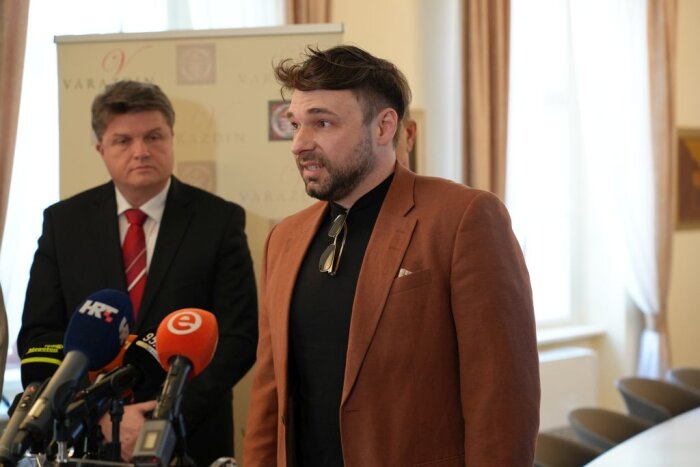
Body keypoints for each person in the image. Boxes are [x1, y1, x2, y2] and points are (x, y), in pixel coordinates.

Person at [243, 45, 540, 466]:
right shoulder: (284, 238)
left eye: (322, 123)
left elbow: (501, 400)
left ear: (384, 127)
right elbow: (269, 394)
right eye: (295, 125)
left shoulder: (463, 218)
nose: (300, 144)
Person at [17, 80, 258, 466]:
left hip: (189, 436)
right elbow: (40, 334)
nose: (141, 151)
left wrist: (160, 417)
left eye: (154, 136)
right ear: (101, 149)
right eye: (123, 140)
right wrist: (97, 415)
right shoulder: (63, 223)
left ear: (172, 138)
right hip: (87, 439)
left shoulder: (219, 220)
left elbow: (238, 338)